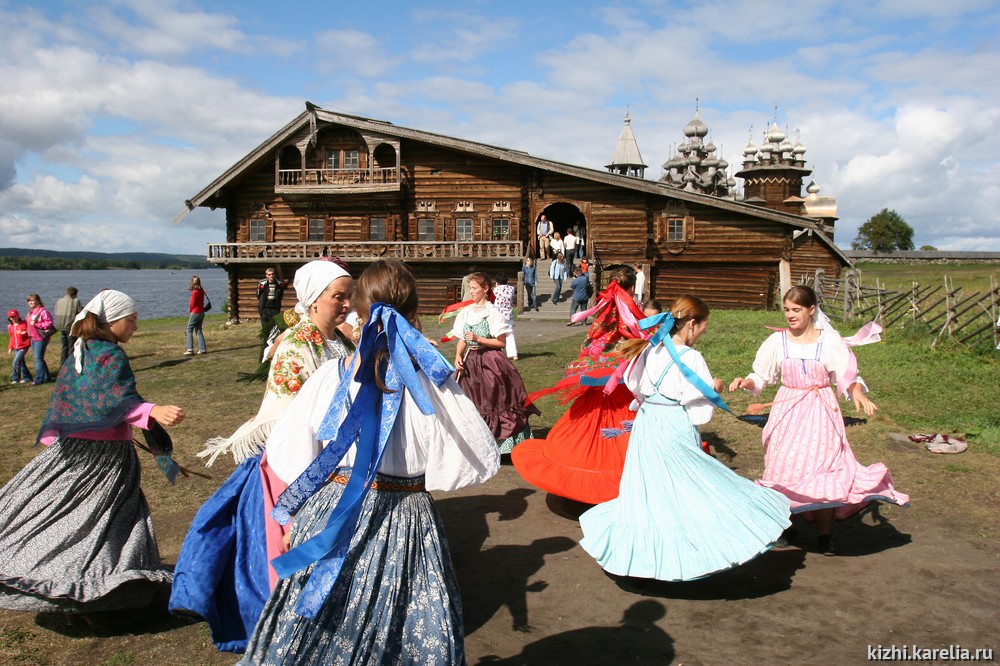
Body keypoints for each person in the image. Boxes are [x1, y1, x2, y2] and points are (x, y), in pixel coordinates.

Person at [239, 258, 500, 664]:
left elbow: (290, 452)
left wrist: (297, 516)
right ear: (415, 312)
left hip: (330, 510)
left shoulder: (330, 376)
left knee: (317, 629)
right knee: (405, 628)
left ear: (359, 312)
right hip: (407, 514)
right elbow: (470, 461)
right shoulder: (435, 382)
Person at [172, 260, 355, 653]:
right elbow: (293, 418)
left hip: (336, 459)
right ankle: (286, 626)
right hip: (298, 465)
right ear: (313, 299)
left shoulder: (339, 341)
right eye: (338, 296)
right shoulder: (296, 345)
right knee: (289, 551)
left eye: (348, 297)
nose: (346, 305)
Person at [579, 296, 790, 580]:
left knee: (652, 489)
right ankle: (688, 556)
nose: (704, 332)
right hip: (673, 425)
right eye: (704, 326)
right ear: (692, 324)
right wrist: (714, 386)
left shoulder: (649, 349)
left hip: (647, 424)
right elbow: (699, 413)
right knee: (692, 484)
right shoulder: (691, 358)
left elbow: (636, 386)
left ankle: (647, 560)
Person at [0, 290, 185, 614]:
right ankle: (97, 585)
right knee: (106, 519)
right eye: (131, 321)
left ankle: (79, 580)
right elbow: (111, 399)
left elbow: (80, 398)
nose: (135, 328)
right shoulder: (108, 354)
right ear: (111, 321)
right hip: (104, 458)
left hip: (72, 450)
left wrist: (57, 437)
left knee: (68, 514)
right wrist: (152, 410)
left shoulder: (80, 350)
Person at [728, 285, 909, 556]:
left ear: (811, 310)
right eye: (787, 309)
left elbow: (847, 377)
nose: (790, 315)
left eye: (796, 310)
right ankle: (786, 527)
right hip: (787, 412)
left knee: (823, 471)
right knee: (783, 467)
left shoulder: (829, 342)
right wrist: (747, 382)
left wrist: (857, 392)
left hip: (820, 413)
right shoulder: (777, 342)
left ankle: (825, 535)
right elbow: (761, 374)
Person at [511, 266, 648, 504]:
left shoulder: (604, 314)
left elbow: (590, 344)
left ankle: (581, 465)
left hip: (598, 386)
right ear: (631, 287)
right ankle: (616, 478)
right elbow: (639, 341)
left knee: (588, 427)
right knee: (623, 429)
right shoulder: (629, 317)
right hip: (620, 385)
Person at [452, 272, 539, 453]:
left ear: (485, 289)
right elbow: (462, 338)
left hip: (491, 362)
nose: (472, 291)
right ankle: (477, 445)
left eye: (475, 288)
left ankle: (501, 444)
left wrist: (479, 338)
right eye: (471, 288)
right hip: (471, 362)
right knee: (470, 401)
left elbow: (501, 342)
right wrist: (458, 356)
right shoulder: (466, 312)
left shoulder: (493, 312)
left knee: (494, 401)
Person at [25, 293, 54, 384]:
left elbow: (49, 324)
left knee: (38, 358)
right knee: (39, 358)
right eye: (29, 301)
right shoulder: (31, 311)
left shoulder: (43, 311)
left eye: (32, 300)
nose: (31, 302)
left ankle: (38, 379)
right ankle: (46, 377)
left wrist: (37, 324)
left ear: (38, 300)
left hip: (40, 338)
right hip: (32, 337)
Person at [53, 286, 82, 366]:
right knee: (72, 347)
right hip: (70, 327)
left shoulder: (59, 301)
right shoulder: (75, 301)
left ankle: (63, 365)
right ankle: (70, 365)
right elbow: (79, 313)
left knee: (64, 347)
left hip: (61, 327)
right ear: (75, 294)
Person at [492, 273, 518, 360]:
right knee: (510, 333)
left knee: (498, 333)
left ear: (497, 282)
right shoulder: (511, 289)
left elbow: (493, 301)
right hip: (508, 314)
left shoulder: (495, 290)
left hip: (498, 314)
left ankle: (499, 352)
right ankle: (513, 354)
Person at [7, 309, 32, 384]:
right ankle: (27, 378)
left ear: (18, 316)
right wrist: (10, 347)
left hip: (24, 346)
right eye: (11, 317)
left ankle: (15, 378)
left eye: (14, 316)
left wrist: (25, 332)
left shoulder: (24, 323)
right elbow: (11, 338)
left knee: (16, 361)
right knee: (21, 363)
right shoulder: (10, 327)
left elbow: (30, 332)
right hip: (16, 347)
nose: (13, 318)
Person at [185, 276, 208, 355]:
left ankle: (190, 349)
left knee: (189, 330)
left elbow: (192, 304)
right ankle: (202, 349)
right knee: (198, 330)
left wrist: (190, 310)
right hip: (202, 312)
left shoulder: (195, 292)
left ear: (192, 283)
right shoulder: (201, 290)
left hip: (195, 312)